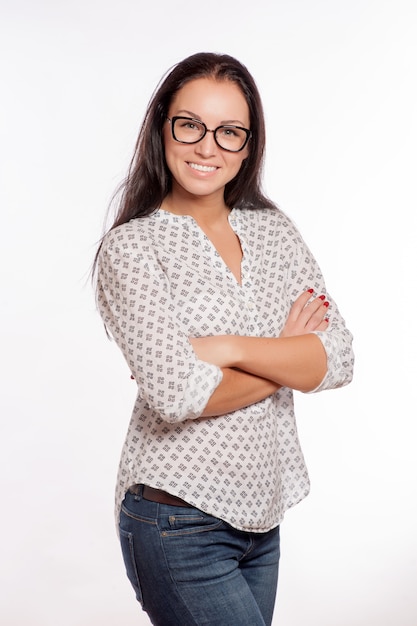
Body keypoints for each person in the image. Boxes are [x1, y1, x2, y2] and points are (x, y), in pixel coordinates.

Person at [94, 52, 354, 626]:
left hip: (262, 519)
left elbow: (336, 358)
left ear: (248, 145)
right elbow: (177, 394)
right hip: (176, 521)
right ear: (163, 126)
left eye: (229, 132)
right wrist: (287, 355)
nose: (207, 147)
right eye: (190, 124)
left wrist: (227, 347)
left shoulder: (274, 231)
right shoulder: (134, 249)